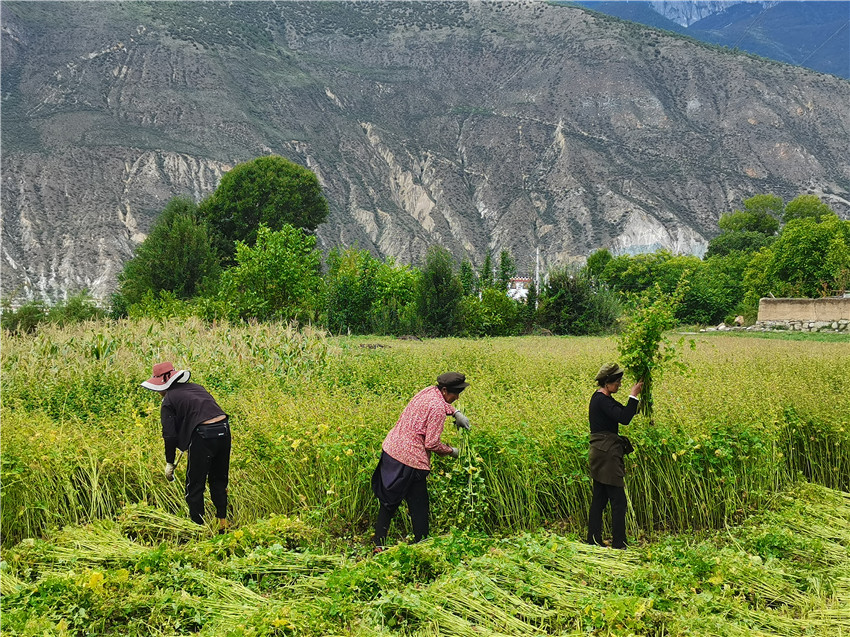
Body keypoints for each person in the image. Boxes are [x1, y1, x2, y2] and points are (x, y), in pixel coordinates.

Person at [371, 372, 472, 550]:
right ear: (445, 390)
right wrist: (452, 451)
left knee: (388, 502)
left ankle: (378, 544)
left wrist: (455, 412)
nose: (457, 397)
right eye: (455, 393)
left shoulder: (428, 391)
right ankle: (422, 545)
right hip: (410, 460)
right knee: (419, 505)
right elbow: (431, 443)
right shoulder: (438, 409)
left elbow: (440, 402)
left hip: (392, 450)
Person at [141, 362, 231, 533]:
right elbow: (203, 413)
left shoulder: (169, 399)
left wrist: (170, 462)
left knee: (194, 485)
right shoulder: (197, 388)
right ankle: (222, 523)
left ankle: (199, 529)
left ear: (162, 385)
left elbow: (169, 435)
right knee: (219, 480)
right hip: (224, 429)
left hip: (203, 434)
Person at [586, 363, 643, 549]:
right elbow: (624, 419)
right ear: (607, 382)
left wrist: (639, 400)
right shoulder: (602, 401)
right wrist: (633, 394)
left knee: (600, 498)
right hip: (607, 455)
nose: (619, 384)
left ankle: (593, 540)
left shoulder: (602, 398)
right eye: (617, 381)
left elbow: (625, 412)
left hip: (601, 453)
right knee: (618, 501)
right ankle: (619, 544)